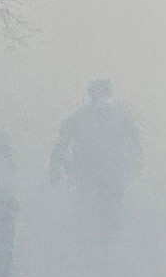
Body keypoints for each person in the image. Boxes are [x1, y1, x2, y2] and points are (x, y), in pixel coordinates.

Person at [48, 81, 141, 230]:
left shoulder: (120, 116)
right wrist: (55, 165)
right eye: (96, 95)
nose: (100, 101)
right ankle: (88, 238)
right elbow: (63, 140)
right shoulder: (82, 116)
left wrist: (136, 163)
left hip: (110, 173)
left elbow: (134, 141)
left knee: (108, 211)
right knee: (88, 210)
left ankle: (101, 240)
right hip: (89, 174)